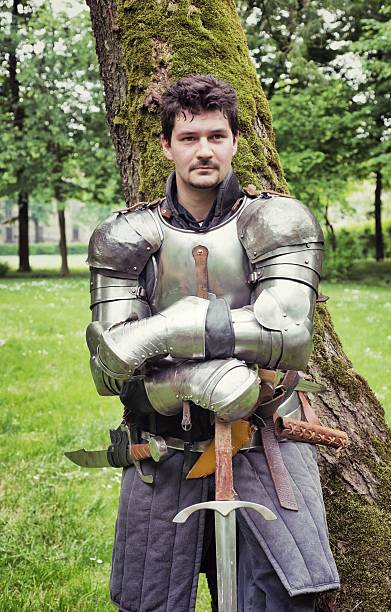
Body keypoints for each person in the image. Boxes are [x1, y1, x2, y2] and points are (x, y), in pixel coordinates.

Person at [86, 74, 340, 612]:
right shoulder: (127, 236)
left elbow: (290, 338)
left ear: (235, 141)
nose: (204, 150)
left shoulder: (276, 221)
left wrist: (165, 332)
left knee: (280, 597)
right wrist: (200, 378)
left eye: (217, 136)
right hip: (164, 444)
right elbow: (111, 367)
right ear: (165, 145)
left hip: (265, 438)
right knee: (151, 599)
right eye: (189, 137)